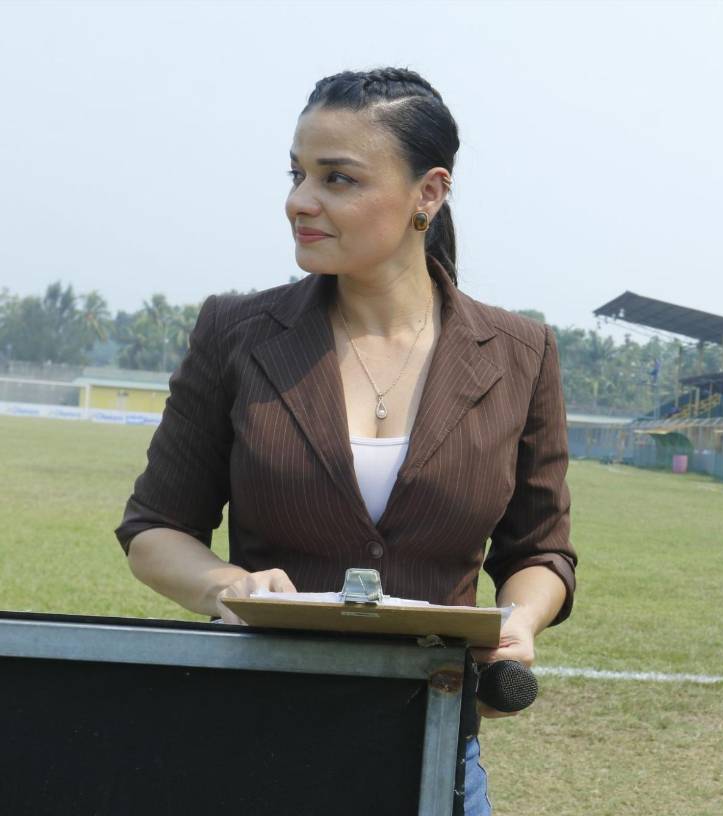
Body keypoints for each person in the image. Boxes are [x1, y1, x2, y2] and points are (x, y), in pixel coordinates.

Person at [113, 68, 576, 816]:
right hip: (254, 744)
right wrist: (227, 586)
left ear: (429, 193)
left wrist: (519, 621)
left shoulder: (522, 353)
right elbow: (154, 530)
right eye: (296, 174)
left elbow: (541, 551)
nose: (300, 200)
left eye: (338, 179)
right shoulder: (234, 333)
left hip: (437, 749)